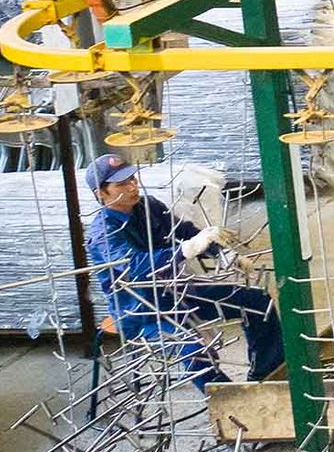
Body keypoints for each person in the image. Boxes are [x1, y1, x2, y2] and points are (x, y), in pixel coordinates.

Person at [86, 154, 283, 387]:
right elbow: (136, 266)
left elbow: (185, 231)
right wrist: (184, 251)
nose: (132, 186)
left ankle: (268, 375)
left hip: (177, 293)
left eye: (133, 179)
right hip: (141, 312)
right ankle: (228, 402)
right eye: (122, 184)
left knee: (257, 301)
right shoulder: (103, 233)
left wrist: (221, 253)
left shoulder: (148, 206)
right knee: (195, 349)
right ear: (101, 193)